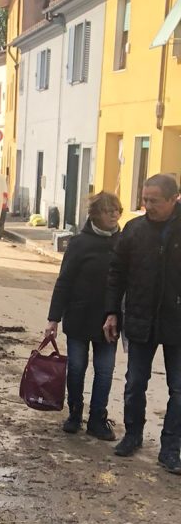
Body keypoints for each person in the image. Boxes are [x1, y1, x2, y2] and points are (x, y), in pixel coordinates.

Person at [104, 174, 181, 470]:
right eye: (145, 199)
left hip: (177, 321)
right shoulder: (134, 230)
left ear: (174, 198)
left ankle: (170, 449)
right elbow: (116, 273)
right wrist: (111, 312)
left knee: (178, 388)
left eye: (154, 201)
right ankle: (133, 434)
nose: (147, 205)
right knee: (135, 382)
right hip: (139, 318)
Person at [45, 192, 123, 440]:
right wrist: (53, 318)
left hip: (109, 320)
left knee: (105, 370)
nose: (114, 215)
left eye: (117, 210)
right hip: (79, 317)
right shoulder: (79, 243)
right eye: (108, 210)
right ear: (95, 215)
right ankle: (75, 413)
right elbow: (64, 282)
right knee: (77, 368)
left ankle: (98, 419)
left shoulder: (124, 243)